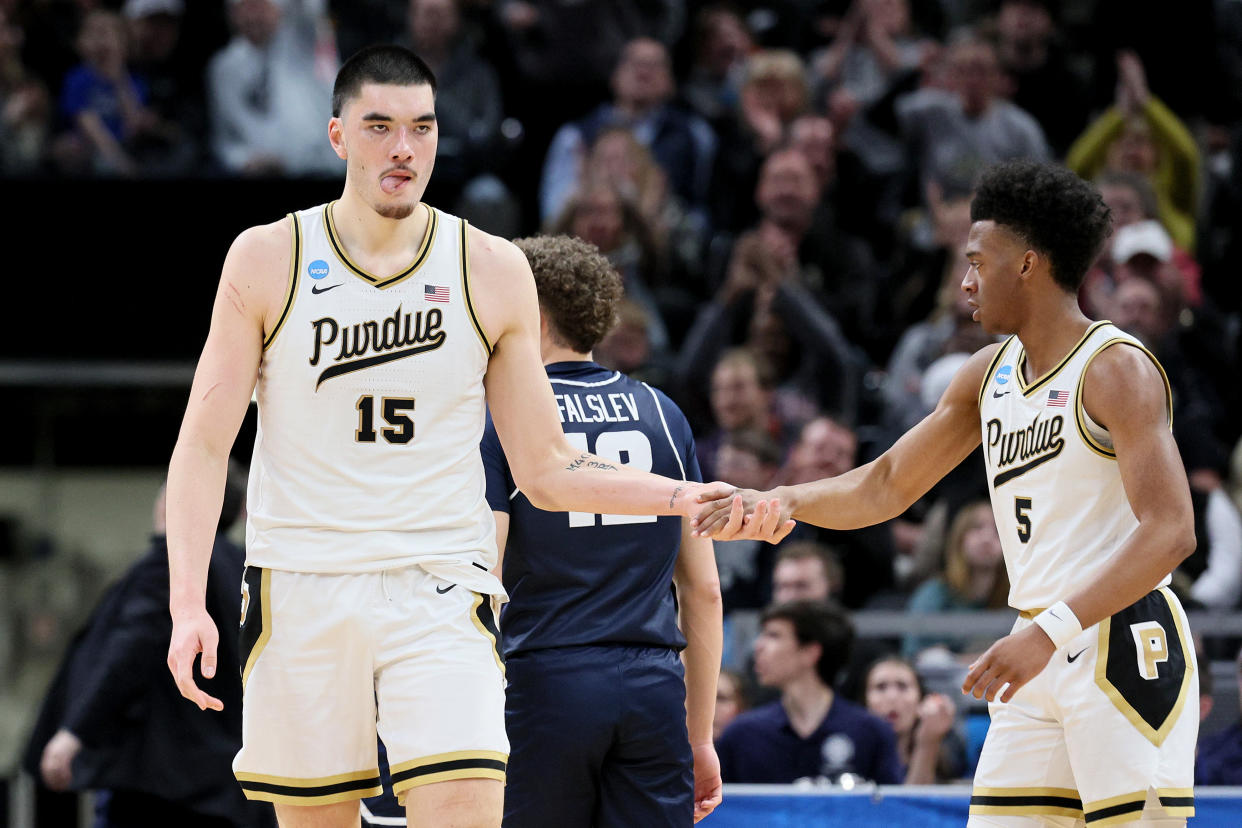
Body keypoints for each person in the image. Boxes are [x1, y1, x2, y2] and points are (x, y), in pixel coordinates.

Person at [165, 45, 786, 828]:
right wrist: (189, 600)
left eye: (421, 128)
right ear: (336, 136)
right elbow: (202, 445)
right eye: (379, 126)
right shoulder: (268, 256)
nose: (403, 148)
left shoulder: (488, 266)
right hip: (303, 577)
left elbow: (548, 466)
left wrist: (685, 495)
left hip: (439, 585)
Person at [698, 159, 1200, 825]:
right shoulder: (986, 375)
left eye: (976, 260)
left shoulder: (1114, 368)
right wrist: (785, 499)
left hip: (1118, 640)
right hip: (1035, 647)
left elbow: (1171, 532)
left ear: (1026, 263)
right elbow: (885, 483)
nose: (964, 281)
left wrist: (1049, 631)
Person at [485, 234, 723, 827]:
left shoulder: (501, 417)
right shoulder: (664, 412)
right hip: (653, 687)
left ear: (531, 316)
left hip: (544, 682)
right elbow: (704, 591)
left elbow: (482, 577)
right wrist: (699, 736)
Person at [25, 467, 271, 828]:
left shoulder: (170, 566)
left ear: (172, 503)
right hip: (229, 786)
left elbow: (128, 654)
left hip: (160, 783)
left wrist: (72, 734)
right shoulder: (244, 572)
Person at [715, 600, 903, 784]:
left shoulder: (871, 733)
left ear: (810, 652)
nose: (758, 646)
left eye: (773, 636)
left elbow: (893, 810)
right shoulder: (742, 735)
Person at [862, 656, 966, 784]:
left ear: (920, 699)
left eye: (902, 686)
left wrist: (928, 742)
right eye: (881, 687)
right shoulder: (852, 749)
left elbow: (916, 802)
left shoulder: (948, 749)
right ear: (864, 700)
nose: (892, 697)